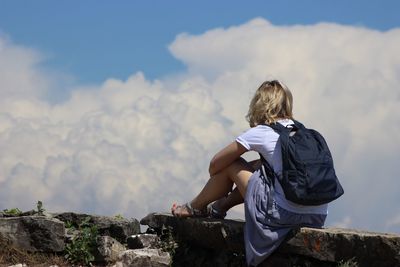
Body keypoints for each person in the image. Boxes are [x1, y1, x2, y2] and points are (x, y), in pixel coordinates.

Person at [171, 80, 328, 266]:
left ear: (260, 104)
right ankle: (219, 207)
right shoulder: (304, 133)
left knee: (232, 164)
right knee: (259, 167)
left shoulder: (263, 132)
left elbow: (215, 165)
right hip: (316, 216)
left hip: (284, 214)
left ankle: (194, 207)